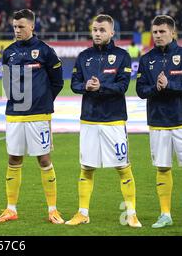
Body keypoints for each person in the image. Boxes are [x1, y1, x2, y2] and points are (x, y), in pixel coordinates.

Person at [67, 14, 142, 227]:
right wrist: (85, 87)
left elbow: (122, 86)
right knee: (86, 167)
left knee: (123, 167)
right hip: (89, 119)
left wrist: (101, 87)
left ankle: (131, 213)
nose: (97, 33)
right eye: (95, 30)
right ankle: (83, 213)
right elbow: (74, 84)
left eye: (102, 30)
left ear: (112, 32)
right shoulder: (83, 56)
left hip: (114, 120)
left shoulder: (122, 56)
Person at [0, 9, 64, 223]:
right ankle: (11, 209)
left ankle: (53, 210)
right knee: (14, 159)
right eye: (14, 27)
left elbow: (58, 81)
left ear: (32, 26)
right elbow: (6, 82)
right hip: (15, 114)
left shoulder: (45, 51)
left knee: (44, 159)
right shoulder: (9, 52)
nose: (17, 30)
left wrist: (43, 100)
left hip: (39, 115)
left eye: (21, 26)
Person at [136, 15, 182, 229]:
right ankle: (165, 214)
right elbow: (140, 90)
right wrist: (156, 87)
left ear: (172, 32)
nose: (157, 35)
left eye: (162, 31)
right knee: (163, 168)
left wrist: (170, 85)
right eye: (155, 32)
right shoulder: (146, 60)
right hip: (158, 122)